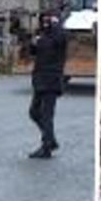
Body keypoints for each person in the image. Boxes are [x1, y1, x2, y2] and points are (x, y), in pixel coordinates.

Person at [27, 12, 69, 158]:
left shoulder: (59, 35)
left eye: (48, 20)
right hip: (40, 80)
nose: (45, 23)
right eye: (43, 20)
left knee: (47, 115)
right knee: (34, 112)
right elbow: (33, 51)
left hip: (52, 80)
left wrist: (56, 24)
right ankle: (51, 140)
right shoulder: (43, 36)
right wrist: (33, 42)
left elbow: (59, 40)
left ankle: (46, 147)